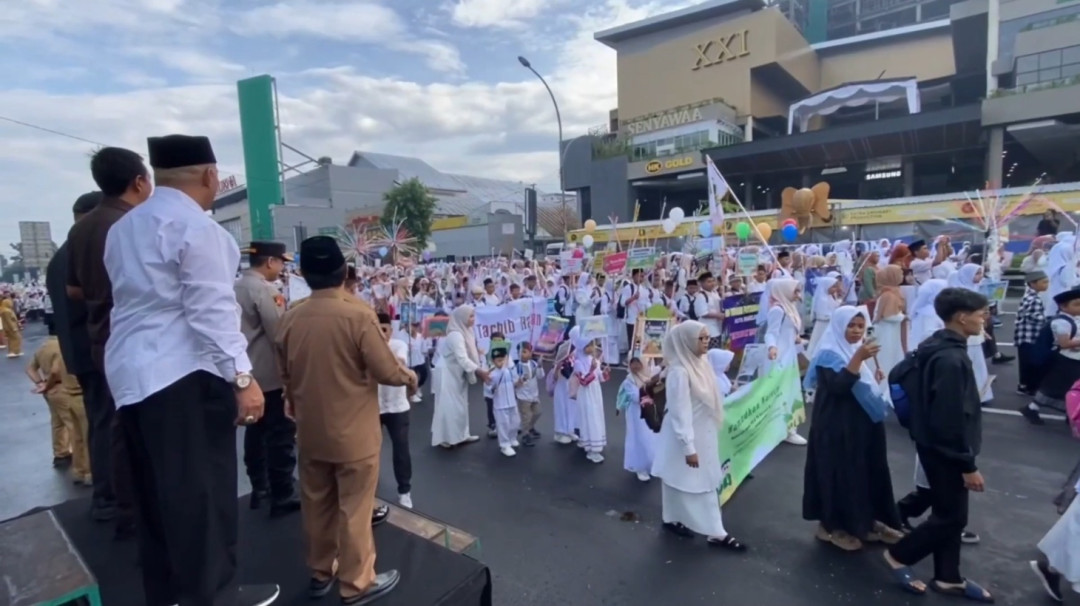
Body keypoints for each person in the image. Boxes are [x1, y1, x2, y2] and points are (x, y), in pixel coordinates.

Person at [105, 134, 279, 606]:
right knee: (203, 498)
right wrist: (243, 378)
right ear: (209, 176)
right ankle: (214, 596)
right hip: (184, 375)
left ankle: (168, 595)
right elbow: (211, 311)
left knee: (156, 500)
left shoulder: (123, 228)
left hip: (132, 377)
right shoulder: (198, 229)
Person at [275, 236, 417, 604]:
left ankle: (321, 572)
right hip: (353, 434)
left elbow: (285, 373)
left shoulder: (290, 316)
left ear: (304, 273)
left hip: (310, 431)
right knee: (355, 508)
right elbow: (386, 370)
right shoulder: (357, 314)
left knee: (316, 504)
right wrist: (410, 376)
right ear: (343, 272)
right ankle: (357, 584)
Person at [884, 287, 992, 602]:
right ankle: (899, 555)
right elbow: (950, 418)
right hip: (945, 450)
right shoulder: (950, 358)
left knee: (950, 512)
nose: (984, 318)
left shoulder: (936, 345)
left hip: (935, 445)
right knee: (952, 518)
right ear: (961, 317)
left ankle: (949, 577)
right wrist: (967, 464)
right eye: (980, 313)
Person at [67, 146, 151, 535]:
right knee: (134, 427)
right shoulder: (131, 225)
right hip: (134, 337)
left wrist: (101, 296)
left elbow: (72, 289)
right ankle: (134, 509)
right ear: (138, 182)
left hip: (101, 334)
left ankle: (122, 504)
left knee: (114, 424)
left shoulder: (82, 227)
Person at [802, 306, 903, 551]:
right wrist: (858, 359)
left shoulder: (850, 349)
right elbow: (838, 387)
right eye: (851, 325)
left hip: (861, 425)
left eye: (860, 326)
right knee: (838, 473)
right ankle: (831, 526)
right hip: (836, 427)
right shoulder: (829, 353)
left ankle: (864, 522)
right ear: (839, 326)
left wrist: (865, 364)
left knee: (865, 472)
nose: (856, 331)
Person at [651, 321, 747, 551]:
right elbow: (679, 412)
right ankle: (712, 531)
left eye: (707, 338)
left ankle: (694, 524)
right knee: (683, 479)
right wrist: (688, 448)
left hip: (703, 433)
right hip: (685, 435)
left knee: (701, 481)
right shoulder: (679, 371)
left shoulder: (699, 363)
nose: (706, 343)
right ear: (686, 341)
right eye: (701, 338)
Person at [236, 241, 300, 516]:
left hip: (247, 371)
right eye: (281, 262)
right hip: (269, 373)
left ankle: (259, 487)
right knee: (279, 435)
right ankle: (281, 492)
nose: (283, 267)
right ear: (271, 262)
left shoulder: (236, 286)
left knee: (255, 432)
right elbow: (279, 332)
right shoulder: (264, 290)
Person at [45, 192, 100, 473]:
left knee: (94, 426)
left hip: (78, 356)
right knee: (105, 429)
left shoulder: (59, 257)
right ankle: (110, 498)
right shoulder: (84, 250)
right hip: (96, 354)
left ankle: (104, 495)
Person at [26, 323, 89, 481]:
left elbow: (29, 368)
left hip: (50, 391)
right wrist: (48, 384)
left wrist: (40, 383)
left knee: (57, 423)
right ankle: (84, 468)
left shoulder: (43, 347)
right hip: (62, 388)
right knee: (76, 429)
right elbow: (56, 370)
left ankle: (60, 453)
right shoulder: (63, 346)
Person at [430, 305, 489, 447]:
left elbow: (469, 353)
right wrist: (479, 371)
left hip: (458, 372)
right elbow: (462, 358)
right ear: (461, 317)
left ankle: (462, 435)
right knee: (448, 406)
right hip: (447, 373)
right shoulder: (455, 335)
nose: (473, 319)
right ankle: (445, 438)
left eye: (474, 315)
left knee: (461, 405)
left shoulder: (467, 331)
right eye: (470, 316)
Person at [1023, 287, 1080, 425]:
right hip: (1067, 361)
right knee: (1057, 388)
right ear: (1063, 306)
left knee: (1067, 388)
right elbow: (1065, 343)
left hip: (1074, 359)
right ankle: (1032, 408)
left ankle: (1071, 412)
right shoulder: (1061, 322)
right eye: (1077, 304)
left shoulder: (1073, 318)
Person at [376, 311, 415, 509]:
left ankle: (404, 491)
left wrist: (379, 348)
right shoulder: (367, 347)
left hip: (398, 407)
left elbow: (398, 364)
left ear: (391, 330)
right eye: (378, 330)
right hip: (373, 407)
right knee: (370, 450)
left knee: (401, 449)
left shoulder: (399, 345)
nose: (382, 334)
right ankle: (370, 488)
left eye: (385, 330)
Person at [616, 357, 658, 482]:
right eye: (632, 363)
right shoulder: (629, 380)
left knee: (651, 437)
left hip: (649, 412)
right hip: (636, 414)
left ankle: (651, 465)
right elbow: (634, 397)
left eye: (638, 362)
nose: (635, 366)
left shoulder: (648, 375)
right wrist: (649, 392)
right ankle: (640, 467)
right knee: (639, 438)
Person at [1015, 271, 1049, 399]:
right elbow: (1033, 316)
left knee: (1027, 362)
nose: (1047, 285)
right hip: (1029, 335)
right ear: (1033, 284)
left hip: (1025, 334)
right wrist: (1049, 320)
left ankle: (1025, 385)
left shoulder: (1031, 296)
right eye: (1044, 282)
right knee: (1031, 362)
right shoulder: (1033, 298)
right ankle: (1029, 387)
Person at [514, 342, 542, 447]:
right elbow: (515, 383)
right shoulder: (517, 367)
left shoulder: (534, 364)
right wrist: (519, 381)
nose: (521, 354)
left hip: (534, 395)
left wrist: (540, 367)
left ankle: (530, 427)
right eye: (519, 352)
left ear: (530, 353)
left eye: (525, 352)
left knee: (538, 412)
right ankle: (526, 435)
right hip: (523, 397)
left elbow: (540, 376)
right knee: (526, 416)